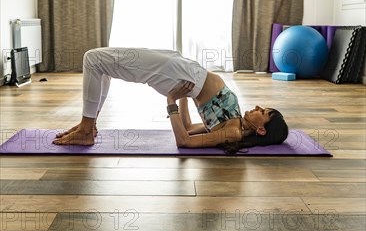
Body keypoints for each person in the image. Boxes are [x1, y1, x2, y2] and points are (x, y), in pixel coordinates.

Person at [53, 47, 289, 153]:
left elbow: (184, 141)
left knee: (93, 59)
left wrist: (172, 100)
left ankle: (86, 129)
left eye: (263, 111)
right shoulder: (236, 123)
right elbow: (188, 127)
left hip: (175, 73)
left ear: (260, 130)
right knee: (101, 65)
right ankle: (89, 125)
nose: (257, 107)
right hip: (181, 71)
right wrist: (183, 97)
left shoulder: (233, 134)